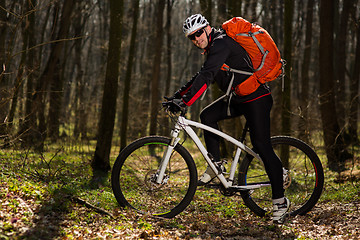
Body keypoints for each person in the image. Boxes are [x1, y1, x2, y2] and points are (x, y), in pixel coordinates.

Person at [167, 14, 290, 224]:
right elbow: (202, 74)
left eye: (198, 33)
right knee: (207, 115)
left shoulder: (221, 43)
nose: (196, 39)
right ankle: (216, 164)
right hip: (240, 98)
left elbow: (207, 76)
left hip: (257, 98)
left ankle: (280, 202)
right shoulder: (214, 48)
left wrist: (185, 102)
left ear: (206, 28)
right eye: (191, 37)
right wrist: (177, 96)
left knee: (261, 145)